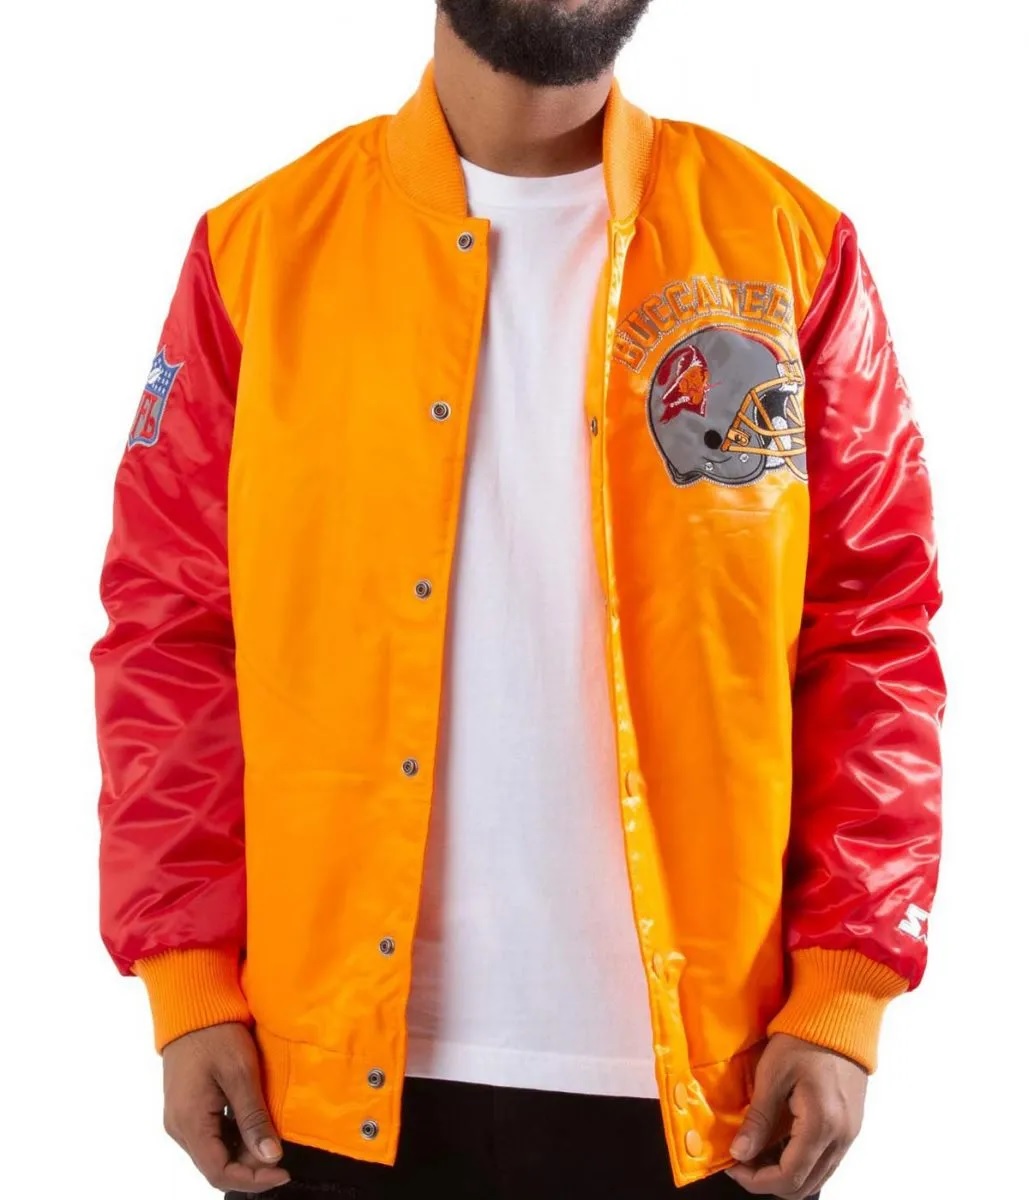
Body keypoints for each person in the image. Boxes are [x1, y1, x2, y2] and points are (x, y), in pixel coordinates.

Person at [91, 2, 945, 1197]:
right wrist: (186, 983)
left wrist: (845, 993)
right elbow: (170, 632)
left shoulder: (790, 247)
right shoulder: (258, 252)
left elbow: (873, 633)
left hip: (720, 1094)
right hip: (321, 1085)